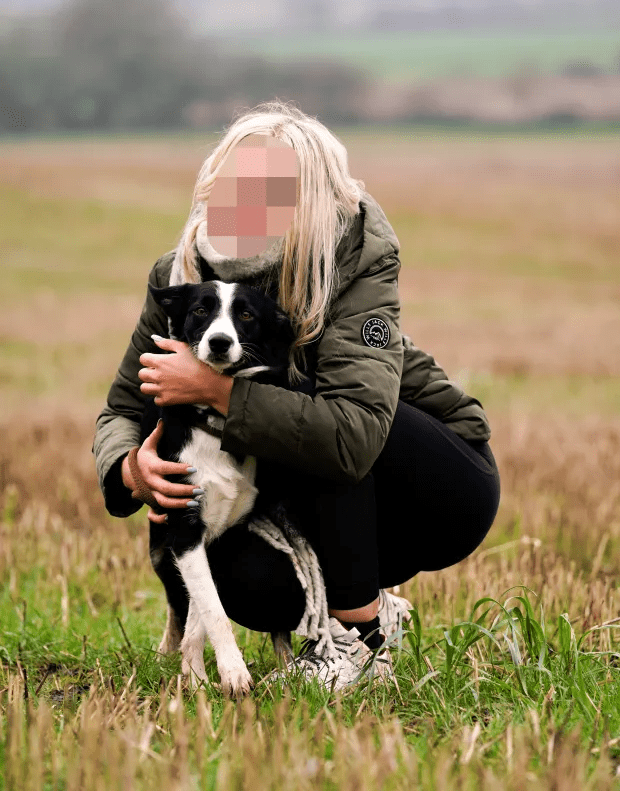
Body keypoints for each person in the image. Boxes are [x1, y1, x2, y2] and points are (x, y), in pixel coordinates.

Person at [93, 101, 501, 689]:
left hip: (436, 481)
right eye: (236, 184)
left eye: (272, 190)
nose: (248, 202)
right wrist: (132, 470)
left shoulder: (355, 259)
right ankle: (351, 604)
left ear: (314, 198)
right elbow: (124, 407)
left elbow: (353, 436)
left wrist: (214, 389)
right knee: (243, 586)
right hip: (321, 489)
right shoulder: (180, 277)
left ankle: (361, 640)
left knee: (332, 420)